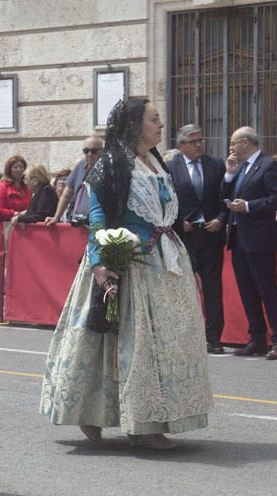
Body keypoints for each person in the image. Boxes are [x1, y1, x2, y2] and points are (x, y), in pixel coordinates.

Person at [40, 98, 213, 450]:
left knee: (163, 345)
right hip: (127, 262)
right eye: (154, 119)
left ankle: (152, 415)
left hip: (164, 264)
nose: (160, 124)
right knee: (118, 341)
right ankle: (136, 422)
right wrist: (101, 262)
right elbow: (99, 216)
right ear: (135, 125)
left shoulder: (156, 162)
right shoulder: (112, 164)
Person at [223, 126, 277, 360]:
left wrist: (249, 206)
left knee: (267, 290)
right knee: (247, 291)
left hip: (260, 238)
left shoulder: (268, 165)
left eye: (233, 143)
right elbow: (225, 194)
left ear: (245, 142)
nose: (230, 148)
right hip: (239, 237)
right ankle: (257, 337)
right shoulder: (240, 168)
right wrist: (230, 174)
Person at [170, 124, 228, 354]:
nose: (199, 145)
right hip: (186, 234)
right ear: (181, 145)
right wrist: (178, 220)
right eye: (194, 141)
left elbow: (227, 197)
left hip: (211, 232)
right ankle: (185, 335)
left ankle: (214, 337)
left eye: (201, 140)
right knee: (185, 287)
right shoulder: (170, 167)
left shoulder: (215, 165)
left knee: (213, 287)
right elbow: (167, 199)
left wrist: (222, 219)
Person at [45, 136, 102, 226]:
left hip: (97, 223)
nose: (89, 154)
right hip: (78, 221)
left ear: (101, 151)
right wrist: (56, 217)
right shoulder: (80, 166)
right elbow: (66, 195)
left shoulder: (107, 168)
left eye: (94, 151)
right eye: (86, 151)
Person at [0, 155, 31, 223]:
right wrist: (15, 214)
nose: (19, 170)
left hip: (25, 228)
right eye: (15, 167)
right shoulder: (2, 187)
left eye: (21, 167)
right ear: (9, 170)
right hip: (7, 228)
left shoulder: (26, 187)